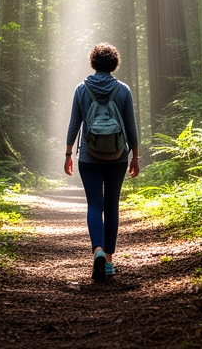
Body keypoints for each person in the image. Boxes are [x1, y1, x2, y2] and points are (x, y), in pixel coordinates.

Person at [65, 42, 140, 282]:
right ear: (114, 64)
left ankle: (96, 250)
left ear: (93, 63)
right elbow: (130, 127)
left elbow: (74, 124)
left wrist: (68, 154)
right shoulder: (123, 90)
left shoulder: (81, 89)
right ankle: (108, 261)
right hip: (118, 156)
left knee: (95, 205)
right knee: (112, 206)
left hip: (89, 156)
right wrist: (135, 157)